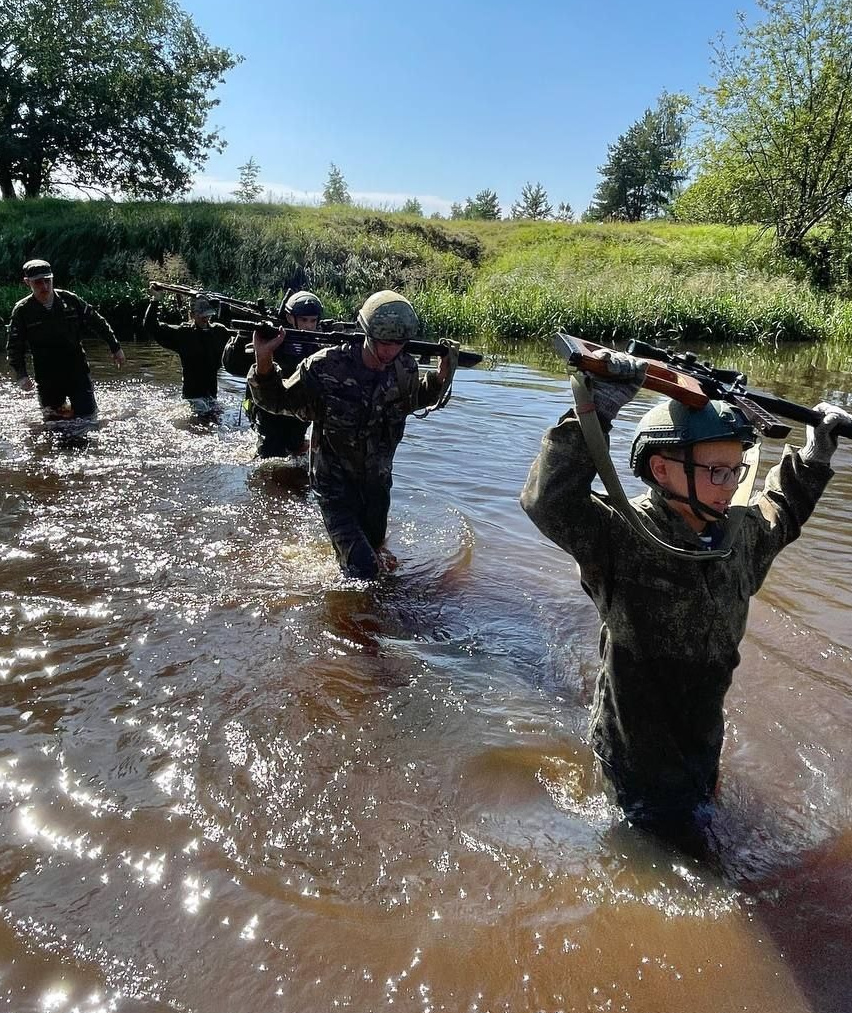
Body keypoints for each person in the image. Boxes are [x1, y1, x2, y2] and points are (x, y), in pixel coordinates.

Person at [520, 348, 851, 844]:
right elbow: (548, 499)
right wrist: (599, 408)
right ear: (661, 469)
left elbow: (784, 508)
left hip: (702, 751)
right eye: (715, 472)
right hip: (634, 766)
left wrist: (817, 451)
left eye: (737, 471)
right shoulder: (623, 536)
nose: (729, 486)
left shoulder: (739, 537)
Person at [247, 290, 455, 578]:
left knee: (379, 555)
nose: (389, 352)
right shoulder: (325, 366)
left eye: (399, 344)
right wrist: (264, 359)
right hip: (335, 486)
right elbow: (277, 401)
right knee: (363, 569)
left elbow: (413, 401)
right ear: (367, 332)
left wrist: (441, 377)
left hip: (377, 485)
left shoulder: (405, 367)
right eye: (383, 342)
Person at [6, 258, 126, 418]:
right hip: (47, 376)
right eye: (38, 283)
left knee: (88, 419)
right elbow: (14, 347)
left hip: (77, 370)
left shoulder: (70, 300)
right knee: (54, 424)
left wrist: (115, 348)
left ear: (52, 278)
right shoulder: (22, 311)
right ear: (27, 282)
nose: (45, 286)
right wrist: (21, 375)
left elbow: (97, 322)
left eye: (48, 281)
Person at [223, 291, 325, 458]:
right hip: (265, 409)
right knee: (269, 453)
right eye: (304, 320)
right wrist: (243, 337)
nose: (309, 326)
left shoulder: (316, 345)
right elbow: (233, 366)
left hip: (296, 411)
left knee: (295, 448)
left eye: (313, 321)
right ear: (290, 318)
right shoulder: (272, 338)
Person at [143, 283, 231, 415]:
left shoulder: (219, 332)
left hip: (212, 398)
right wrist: (155, 300)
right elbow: (151, 327)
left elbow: (238, 346)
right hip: (192, 398)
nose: (205, 318)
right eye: (200, 314)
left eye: (207, 314)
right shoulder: (184, 334)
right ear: (192, 314)